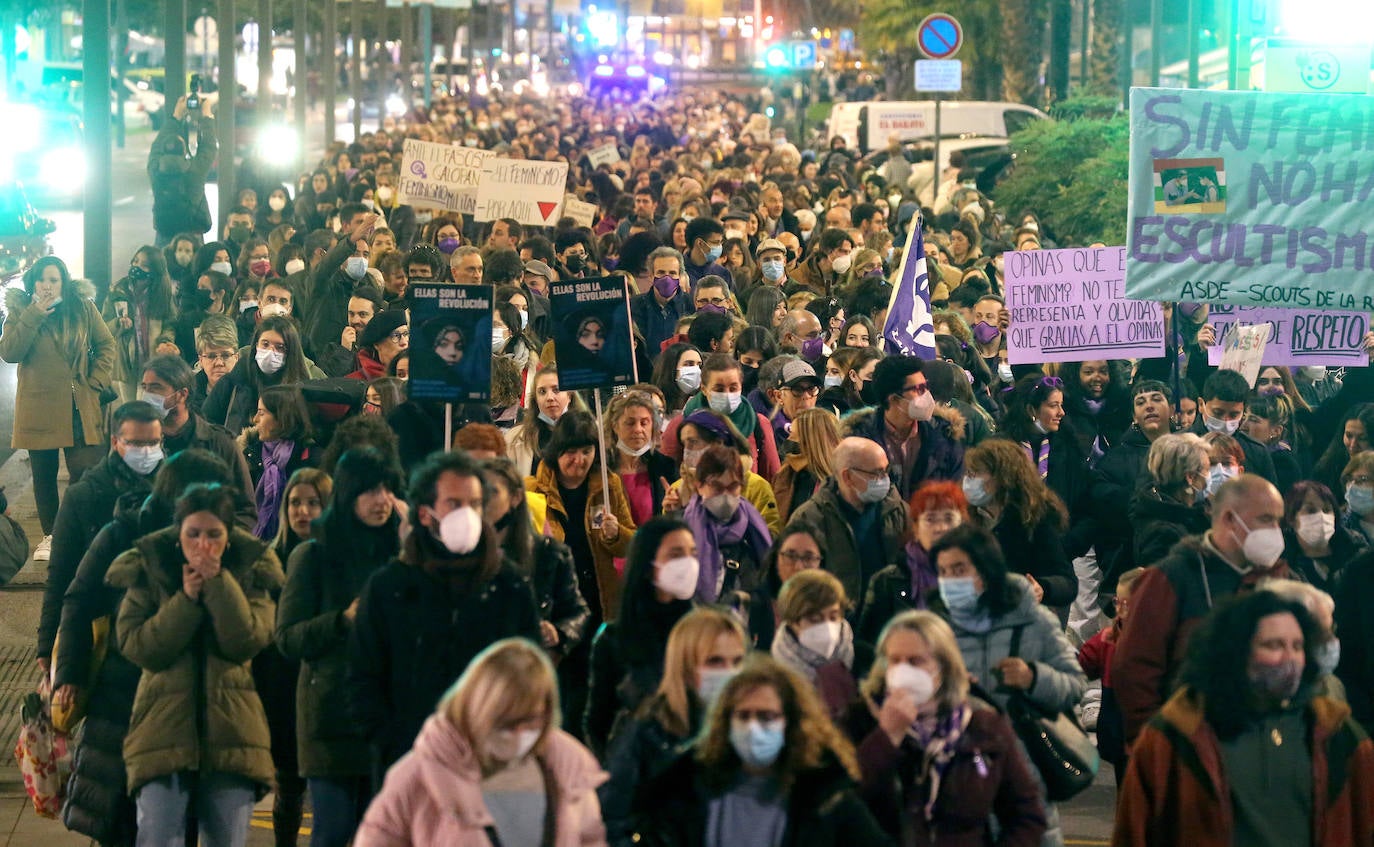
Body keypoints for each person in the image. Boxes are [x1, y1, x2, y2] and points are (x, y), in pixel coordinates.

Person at [55, 449, 235, 847]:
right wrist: (68, 672)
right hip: (124, 695)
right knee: (120, 813)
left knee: (179, 819)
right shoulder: (123, 532)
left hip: (188, 704)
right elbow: (78, 599)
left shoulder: (214, 541)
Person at [1113, 591, 1374, 847]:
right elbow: (1134, 833)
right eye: (1273, 645)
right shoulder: (1177, 734)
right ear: (1236, 651)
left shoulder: (1338, 734)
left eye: (1297, 646)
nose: (1290, 658)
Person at [106, 483, 284, 846]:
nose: (203, 545)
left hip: (233, 736)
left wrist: (219, 585)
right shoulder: (150, 571)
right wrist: (185, 602)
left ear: (229, 538)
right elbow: (139, 645)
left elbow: (246, 641)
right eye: (193, 534)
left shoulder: (252, 574)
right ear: (178, 536)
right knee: (157, 837)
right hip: (161, 732)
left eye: (214, 535)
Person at [349, 451, 541, 780]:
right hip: (411, 767)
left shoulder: (509, 586)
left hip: (492, 769)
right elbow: (364, 679)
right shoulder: (389, 588)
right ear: (425, 514)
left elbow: (531, 676)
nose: (467, 515)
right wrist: (393, 745)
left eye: (476, 504)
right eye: (454, 503)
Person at [354, 639, 608, 847]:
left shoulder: (567, 769)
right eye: (506, 722)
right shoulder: (419, 775)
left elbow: (591, 839)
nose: (518, 733)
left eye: (530, 720)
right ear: (477, 710)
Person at [928, 524, 1087, 845]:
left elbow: (1075, 685)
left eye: (959, 569)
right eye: (944, 571)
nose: (951, 580)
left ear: (985, 570)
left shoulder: (1032, 621)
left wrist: (1033, 678)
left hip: (1026, 776)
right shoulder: (934, 629)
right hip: (961, 784)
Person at [277, 449, 403, 846]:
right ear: (348, 496)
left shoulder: (401, 555)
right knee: (332, 832)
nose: (381, 500)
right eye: (370, 491)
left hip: (386, 720)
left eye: (386, 490)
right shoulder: (313, 555)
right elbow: (288, 637)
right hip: (330, 720)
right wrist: (342, 620)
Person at [1113, 474, 1294, 743]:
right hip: (1187, 743)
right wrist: (1154, 742)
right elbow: (1136, 667)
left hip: (1263, 745)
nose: (1275, 532)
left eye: (1278, 522)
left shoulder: (1281, 579)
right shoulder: (1171, 577)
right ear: (1230, 519)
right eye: (1266, 520)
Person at [843, 610, 1048, 846]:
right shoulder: (859, 719)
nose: (903, 671)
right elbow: (838, 801)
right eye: (894, 660)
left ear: (943, 665)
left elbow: (1026, 813)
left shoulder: (981, 725)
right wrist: (887, 737)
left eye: (915, 661)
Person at [0, 256, 115, 561]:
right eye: (41, 280)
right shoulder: (20, 311)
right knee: (43, 475)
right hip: (37, 405)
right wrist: (33, 314)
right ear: (32, 283)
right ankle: (51, 537)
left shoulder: (82, 307)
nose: (47, 286)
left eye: (53, 280)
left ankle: (72, 530)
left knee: (84, 470)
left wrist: (95, 382)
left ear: (63, 281)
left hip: (79, 403)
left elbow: (107, 345)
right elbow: (10, 352)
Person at [601, 607, 748, 847]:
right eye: (715, 661)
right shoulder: (648, 733)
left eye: (737, 661)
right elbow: (612, 820)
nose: (729, 672)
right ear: (685, 667)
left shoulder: (752, 726)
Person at [37, 401, 165, 671]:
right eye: (136, 443)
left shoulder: (172, 488)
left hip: (160, 625)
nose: (146, 452)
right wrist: (48, 645)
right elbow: (61, 574)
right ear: (115, 441)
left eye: (153, 443)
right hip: (104, 628)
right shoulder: (83, 496)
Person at [256, 467, 331, 845]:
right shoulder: (268, 562)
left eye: (313, 503)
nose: (303, 511)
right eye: (295, 503)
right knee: (288, 787)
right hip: (280, 690)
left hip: (325, 690)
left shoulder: (337, 559)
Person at [585, 516, 700, 758]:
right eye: (676, 554)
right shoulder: (614, 639)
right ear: (648, 564)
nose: (688, 564)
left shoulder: (702, 632)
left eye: (693, 553)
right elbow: (599, 722)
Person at [479, 457, 590, 666]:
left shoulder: (549, 553)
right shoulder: (465, 555)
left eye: (492, 492)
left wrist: (558, 632)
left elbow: (577, 612)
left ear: (515, 498)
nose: (483, 500)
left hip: (529, 668)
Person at [789, 437, 908, 622]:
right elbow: (796, 584)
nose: (885, 479)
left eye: (886, 471)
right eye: (876, 473)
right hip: (835, 628)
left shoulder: (898, 511)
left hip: (891, 627)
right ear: (847, 477)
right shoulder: (809, 519)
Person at [961, 439, 1076, 609]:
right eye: (968, 473)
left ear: (1003, 478)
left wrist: (1042, 588)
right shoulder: (964, 519)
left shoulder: (1034, 522)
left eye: (976, 473)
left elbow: (1067, 583)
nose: (968, 480)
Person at [858, 480, 968, 643]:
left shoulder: (978, 573)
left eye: (949, 518)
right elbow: (869, 645)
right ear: (916, 528)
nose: (941, 528)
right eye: (930, 519)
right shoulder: (888, 580)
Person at [848, 355, 965, 499]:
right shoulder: (861, 437)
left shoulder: (944, 434)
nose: (927, 395)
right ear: (894, 399)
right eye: (918, 389)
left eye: (926, 386)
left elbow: (955, 489)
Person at [139, 353, 256, 498]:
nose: (147, 395)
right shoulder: (134, 441)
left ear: (181, 394)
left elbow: (245, 509)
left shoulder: (219, 444)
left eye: (155, 388)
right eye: (145, 388)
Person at [663, 352, 782, 483]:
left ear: (741, 386)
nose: (727, 394)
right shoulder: (681, 425)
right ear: (704, 389)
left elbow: (773, 479)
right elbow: (667, 476)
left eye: (733, 388)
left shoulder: (758, 424)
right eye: (719, 389)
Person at [1077, 566, 1144, 786]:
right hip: (1116, 730)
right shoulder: (1107, 639)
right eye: (1118, 602)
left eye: (1128, 603)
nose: (1120, 610)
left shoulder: (1163, 642)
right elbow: (1080, 667)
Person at [681, 443, 773, 602]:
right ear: (699, 486)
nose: (725, 495)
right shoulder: (682, 533)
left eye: (732, 487)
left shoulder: (754, 532)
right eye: (716, 487)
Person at [770, 569, 866, 719]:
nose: (827, 627)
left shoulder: (864, 661)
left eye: (833, 617)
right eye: (814, 619)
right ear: (792, 622)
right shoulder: (775, 676)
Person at [204, 316, 318, 434]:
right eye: (265, 344)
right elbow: (206, 421)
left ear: (291, 352)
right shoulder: (236, 379)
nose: (270, 352)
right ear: (256, 345)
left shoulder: (302, 389)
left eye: (280, 347)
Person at [241, 385, 317, 540]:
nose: (254, 419)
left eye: (261, 413)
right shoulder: (248, 456)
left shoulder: (311, 459)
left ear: (282, 418)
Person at [105, 245, 180, 401]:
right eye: (136, 261)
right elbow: (103, 326)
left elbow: (170, 324)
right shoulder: (117, 292)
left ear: (155, 271)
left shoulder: (163, 294)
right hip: (127, 364)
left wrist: (165, 341)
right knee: (129, 409)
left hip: (153, 361)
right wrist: (118, 323)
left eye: (144, 265)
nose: (137, 267)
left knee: (147, 407)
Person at [1129, 433, 1212, 567]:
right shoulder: (1163, 534)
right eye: (1207, 469)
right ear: (1190, 477)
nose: (1210, 476)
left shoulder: (1188, 513)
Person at [148, 94, 217, 245]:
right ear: (184, 151)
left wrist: (176, 116)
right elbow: (209, 147)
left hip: (164, 234)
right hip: (192, 235)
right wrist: (206, 115)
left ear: (164, 151)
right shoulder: (194, 170)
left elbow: (156, 145)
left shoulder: (155, 169)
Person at [605, 389, 679, 527]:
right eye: (630, 423)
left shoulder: (666, 467)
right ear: (615, 426)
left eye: (644, 423)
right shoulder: (602, 468)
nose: (638, 429)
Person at [1283, 481, 1366, 594]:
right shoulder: (1283, 564)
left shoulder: (1356, 551)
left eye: (1327, 510)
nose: (1321, 516)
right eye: (1311, 510)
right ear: (1291, 519)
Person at [503, 364, 582, 476]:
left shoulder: (591, 433)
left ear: (569, 396)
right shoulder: (513, 439)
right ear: (535, 399)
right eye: (542, 392)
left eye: (556, 390)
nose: (549, 397)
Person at [772, 408, 840, 523]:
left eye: (793, 436)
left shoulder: (843, 485)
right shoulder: (784, 476)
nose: (788, 441)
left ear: (812, 443)